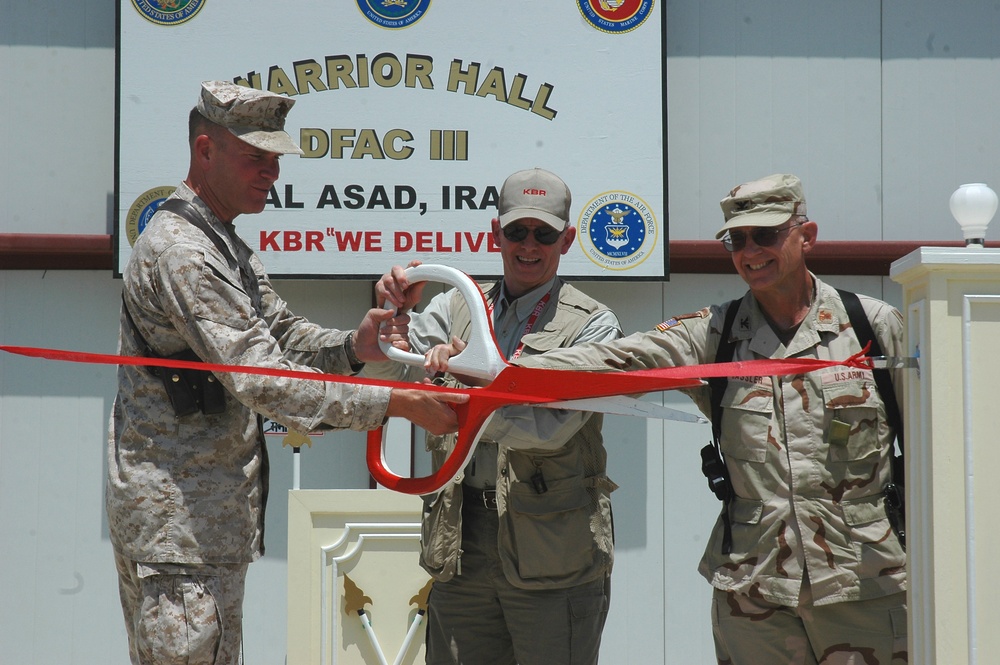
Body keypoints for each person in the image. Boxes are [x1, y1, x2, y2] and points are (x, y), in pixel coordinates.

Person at [107, 81, 466, 665]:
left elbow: (282, 335)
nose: (271, 173)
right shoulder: (186, 252)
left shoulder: (221, 242)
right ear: (205, 151)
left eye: (275, 160)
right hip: (180, 531)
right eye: (255, 158)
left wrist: (356, 345)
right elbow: (264, 380)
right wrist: (393, 403)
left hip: (200, 526)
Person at [517, 174, 908, 664]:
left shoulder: (874, 326)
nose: (750, 251)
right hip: (754, 593)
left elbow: (934, 451)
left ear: (805, 236)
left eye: (765, 235)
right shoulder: (715, 335)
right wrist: (496, 371)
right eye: (736, 240)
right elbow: (618, 359)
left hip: (865, 586)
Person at [369, 168, 623, 665]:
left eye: (545, 233)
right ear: (495, 235)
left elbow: (551, 430)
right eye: (517, 231)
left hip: (555, 551)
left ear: (567, 239)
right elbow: (383, 377)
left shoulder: (594, 325)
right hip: (460, 542)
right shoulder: (452, 305)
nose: (530, 244)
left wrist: (473, 384)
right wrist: (391, 318)